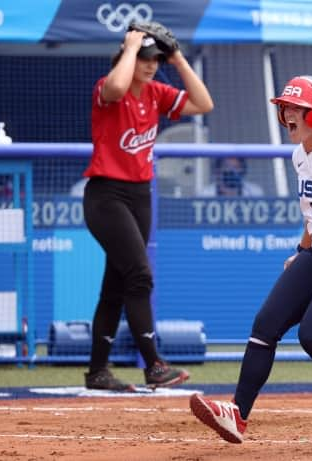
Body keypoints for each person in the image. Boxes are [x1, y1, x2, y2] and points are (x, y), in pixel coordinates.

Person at [189, 75, 312, 447]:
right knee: (265, 325)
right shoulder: (301, 155)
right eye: (286, 108)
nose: (287, 114)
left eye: (297, 108)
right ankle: (238, 415)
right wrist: (301, 254)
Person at [80, 27, 213, 391]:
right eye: (145, 59)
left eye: (155, 59)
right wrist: (132, 45)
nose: (151, 66)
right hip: (106, 196)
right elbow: (117, 88)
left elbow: (204, 104)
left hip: (140, 195)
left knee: (117, 286)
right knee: (140, 275)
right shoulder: (108, 88)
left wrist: (177, 58)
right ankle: (154, 364)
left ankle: (97, 372)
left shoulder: (156, 93)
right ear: (129, 57)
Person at [197, 156, 264, 197]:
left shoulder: (254, 192)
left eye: (236, 167)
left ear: (242, 170)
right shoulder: (205, 194)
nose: (232, 171)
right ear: (218, 170)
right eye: (227, 166)